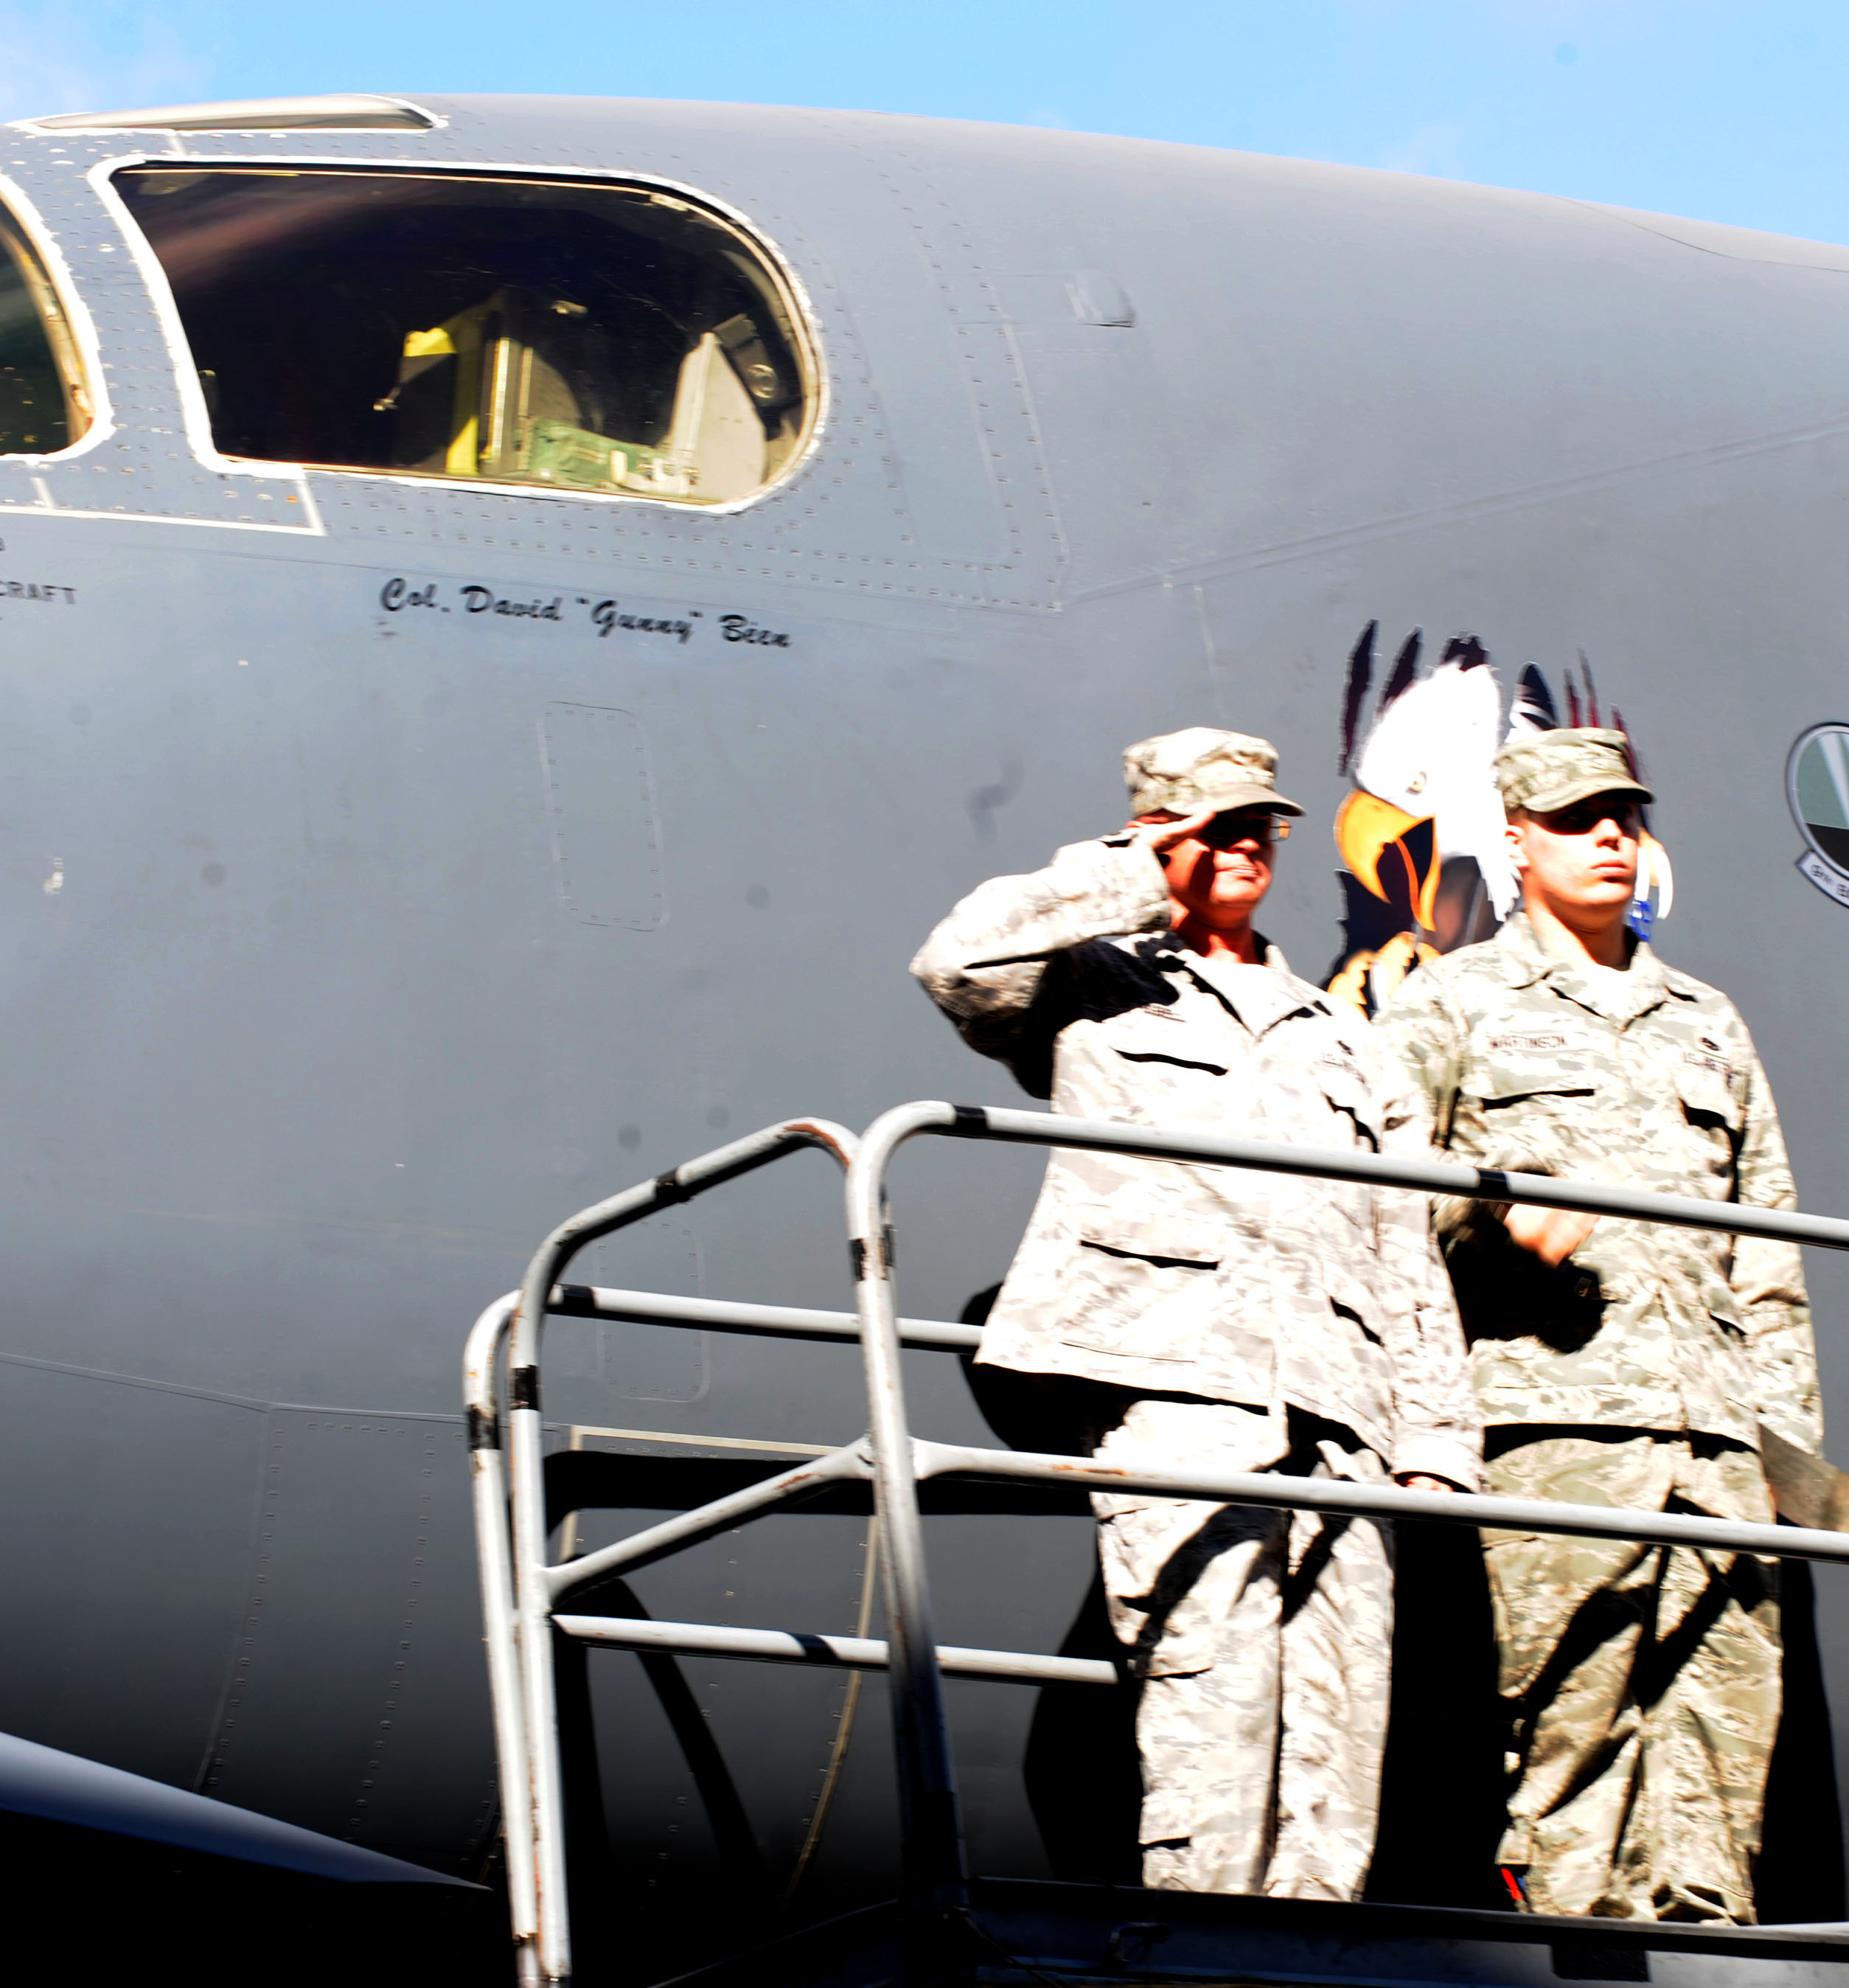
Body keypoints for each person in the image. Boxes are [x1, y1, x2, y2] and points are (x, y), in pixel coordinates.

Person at [911, 726, 1479, 1901]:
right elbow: (956, 965)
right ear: (1161, 833)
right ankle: (1208, 1946)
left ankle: (1312, 1961)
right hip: (1177, 1385)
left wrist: (1433, 1442)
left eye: (1257, 828)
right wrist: (1131, 869)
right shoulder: (1092, 982)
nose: (1239, 849)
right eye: (1210, 827)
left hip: (1343, 1410)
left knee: (1335, 1723)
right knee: (1210, 1695)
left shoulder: (1343, 1038)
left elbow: (1404, 1247)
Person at [1376, 726, 1822, 1924]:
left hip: (1719, 1437)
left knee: (1726, 1721)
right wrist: (1487, 1225)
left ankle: (1705, 1946)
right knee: (1570, 1721)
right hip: (1562, 1419)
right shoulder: (1452, 1002)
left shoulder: (1706, 1020)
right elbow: (1381, 1177)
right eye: (1578, 820)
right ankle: (1563, 1940)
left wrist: (1789, 1451)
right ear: (1515, 843)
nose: (1611, 838)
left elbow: (1765, 1247)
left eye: (1625, 815)